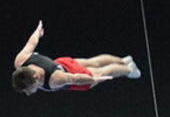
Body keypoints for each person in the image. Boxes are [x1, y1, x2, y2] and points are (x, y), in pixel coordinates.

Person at [12, 21, 140, 95]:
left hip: (71, 74)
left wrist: (93, 79)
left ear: (36, 77)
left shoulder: (55, 80)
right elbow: (31, 43)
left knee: (103, 71)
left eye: (29, 90)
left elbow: (76, 79)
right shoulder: (20, 60)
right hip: (61, 63)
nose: (28, 94)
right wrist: (37, 32)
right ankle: (123, 60)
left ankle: (128, 69)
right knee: (93, 62)